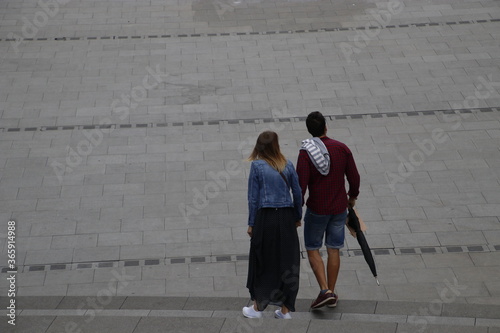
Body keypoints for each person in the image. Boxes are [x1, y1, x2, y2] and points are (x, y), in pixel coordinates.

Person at [296, 111, 360, 309]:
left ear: (309, 130)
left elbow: (301, 184)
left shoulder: (306, 153)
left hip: (317, 209)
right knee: (334, 249)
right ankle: (331, 292)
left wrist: (297, 209)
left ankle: (325, 290)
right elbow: (354, 177)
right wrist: (352, 197)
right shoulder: (342, 148)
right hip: (339, 208)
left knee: (313, 248)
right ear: (326, 127)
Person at [243, 131, 302, 320]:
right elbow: (298, 194)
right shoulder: (288, 165)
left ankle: (257, 307)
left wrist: (251, 223)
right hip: (286, 218)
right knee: (288, 262)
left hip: (266, 218)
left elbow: (253, 199)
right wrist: (297, 216)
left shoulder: (257, 166)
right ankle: (285, 311)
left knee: (263, 260)